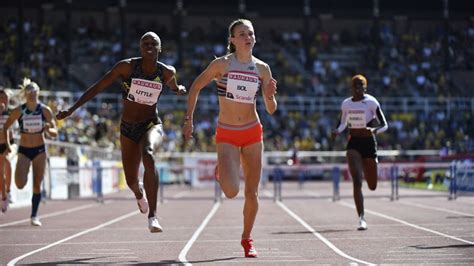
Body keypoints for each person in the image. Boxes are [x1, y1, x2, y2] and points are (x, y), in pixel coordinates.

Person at [56, 32, 186, 233]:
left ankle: (153, 216)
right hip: (127, 128)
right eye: (145, 44)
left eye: (154, 44)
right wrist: (71, 110)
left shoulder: (166, 72)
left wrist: (179, 89)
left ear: (160, 48)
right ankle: (138, 193)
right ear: (140, 48)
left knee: (149, 154)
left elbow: (174, 86)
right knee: (131, 181)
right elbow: (98, 87)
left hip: (151, 124)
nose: (149, 46)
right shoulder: (126, 67)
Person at [183, 19, 277, 258]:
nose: (248, 37)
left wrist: (268, 96)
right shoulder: (222, 65)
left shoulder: (262, 69)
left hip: (252, 131)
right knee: (232, 191)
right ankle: (223, 169)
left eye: (251, 33)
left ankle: (247, 239)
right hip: (227, 133)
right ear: (232, 40)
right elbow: (195, 87)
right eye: (242, 34)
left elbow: (271, 108)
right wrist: (189, 119)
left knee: (252, 193)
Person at [331, 74, 388, 230]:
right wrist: (337, 131)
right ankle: (362, 218)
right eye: (355, 87)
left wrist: (374, 130)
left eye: (360, 87)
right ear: (351, 88)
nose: (358, 90)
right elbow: (342, 123)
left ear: (365, 88)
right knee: (357, 181)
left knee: (372, 185)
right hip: (354, 143)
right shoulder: (346, 104)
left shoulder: (371, 102)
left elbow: (384, 125)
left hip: (369, 143)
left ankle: (371, 168)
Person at [3, 78, 58, 225]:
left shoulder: (45, 110)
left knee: (37, 184)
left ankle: (34, 215)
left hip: (40, 150)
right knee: (20, 184)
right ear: (25, 94)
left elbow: (55, 132)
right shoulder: (19, 111)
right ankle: (24, 172)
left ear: (38, 93)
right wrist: (8, 144)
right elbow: (5, 127)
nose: (33, 94)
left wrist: (48, 129)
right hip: (24, 150)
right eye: (30, 91)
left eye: (35, 91)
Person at [0, 88, 14, 213]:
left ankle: (8, 192)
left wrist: (8, 144)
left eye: (5, 97)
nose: (3, 100)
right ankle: (4, 197)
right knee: (0, 173)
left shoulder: (12, 111)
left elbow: (10, 130)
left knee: (7, 161)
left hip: (10, 143)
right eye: (1, 97)